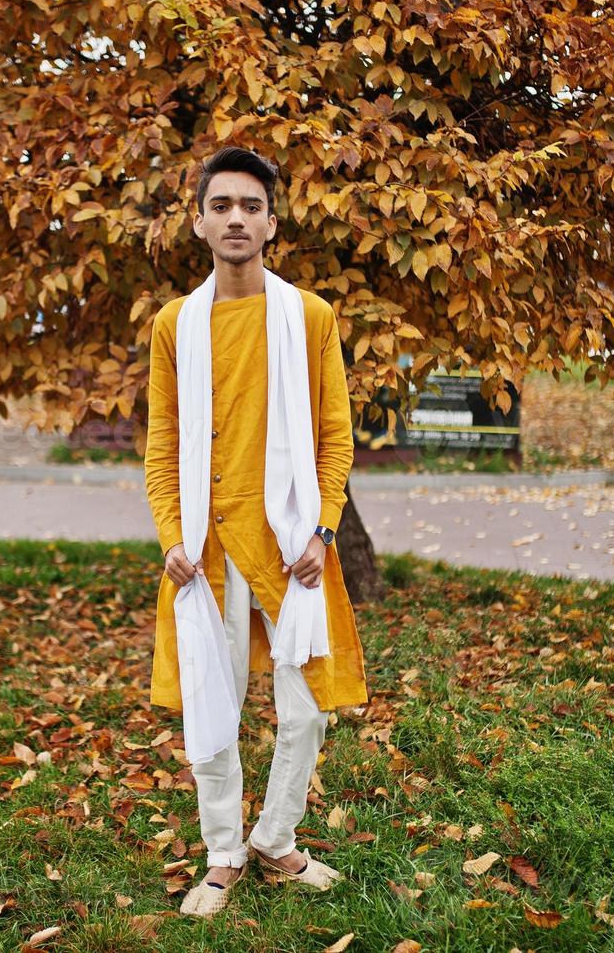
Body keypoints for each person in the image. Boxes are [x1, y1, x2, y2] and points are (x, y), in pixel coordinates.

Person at [142, 146, 369, 917]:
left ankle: (275, 841)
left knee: (304, 710)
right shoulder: (176, 325)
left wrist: (324, 532)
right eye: (220, 205)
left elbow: (334, 434)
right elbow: (162, 442)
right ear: (199, 222)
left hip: (293, 549)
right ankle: (220, 853)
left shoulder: (307, 316)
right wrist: (172, 535)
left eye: (250, 206)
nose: (235, 217)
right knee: (215, 703)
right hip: (205, 553)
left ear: (272, 222)